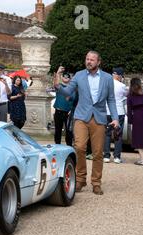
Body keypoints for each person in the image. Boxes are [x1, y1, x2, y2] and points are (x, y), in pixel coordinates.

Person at [54, 51, 119, 195]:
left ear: (98, 62)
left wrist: (115, 117)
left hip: (99, 118)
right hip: (81, 116)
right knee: (80, 147)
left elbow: (112, 100)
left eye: (92, 59)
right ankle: (80, 179)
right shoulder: (79, 75)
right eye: (87, 59)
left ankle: (96, 182)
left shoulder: (108, 78)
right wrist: (58, 86)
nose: (89, 61)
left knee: (97, 153)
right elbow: (69, 92)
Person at [103, 67, 129, 164]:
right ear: (119, 76)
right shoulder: (122, 86)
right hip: (119, 112)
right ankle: (117, 157)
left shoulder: (106, 84)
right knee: (118, 134)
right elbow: (125, 96)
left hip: (108, 112)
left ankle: (106, 156)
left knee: (107, 134)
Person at [53, 72, 75, 145]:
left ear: (70, 79)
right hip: (59, 111)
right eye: (64, 77)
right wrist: (58, 73)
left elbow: (75, 99)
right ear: (62, 78)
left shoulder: (72, 88)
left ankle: (69, 146)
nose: (66, 78)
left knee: (69, 131)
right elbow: (55, 83)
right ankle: (57, 146)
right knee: (58, 130)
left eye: (67, 77)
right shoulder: (59, 86)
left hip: (68, 112)